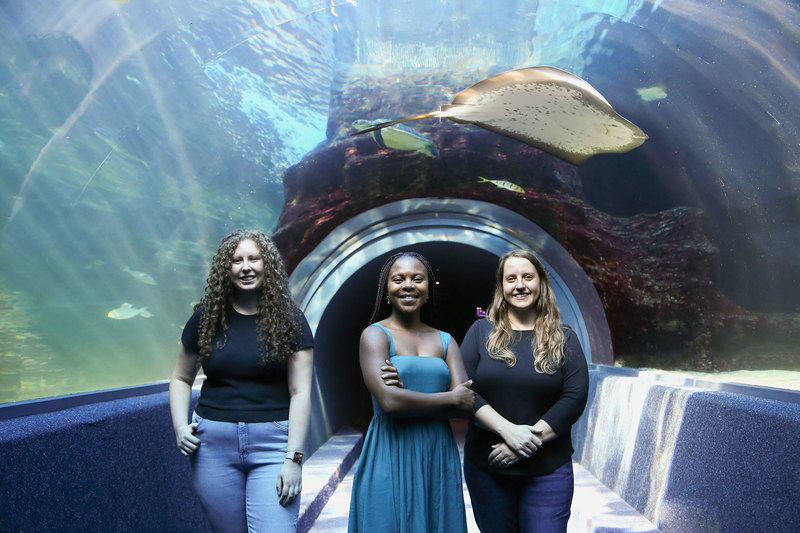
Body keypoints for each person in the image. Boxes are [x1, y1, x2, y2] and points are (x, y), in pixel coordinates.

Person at [169, 229, 314, 533]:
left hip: (274, 446)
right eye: (237, 260)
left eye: (253, 258)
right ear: (226, 268)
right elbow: (181, 379)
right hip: (212, 449)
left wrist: (295, 460)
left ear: (267, 264)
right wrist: (180, 427)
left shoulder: (291, 319)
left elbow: (301, 392)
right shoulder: (206, 318)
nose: (246, 267)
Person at [460, 249, 589, 533]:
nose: (520, 285)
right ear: (502, 287)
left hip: (548, 470)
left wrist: (525, 443)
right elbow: (465, 390)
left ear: (540, 283)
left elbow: (574, 398)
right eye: (511, 279)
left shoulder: (565, 338)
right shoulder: (480, 332)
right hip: (488, 469)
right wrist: (509, 431)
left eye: (527, 277)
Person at [348, 251, 475, 533]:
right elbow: (390, 402)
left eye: (417, 279)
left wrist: (411, 396)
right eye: (399, 279)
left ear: (428, 290)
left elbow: (465, 404)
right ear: (387, 290)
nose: (408, 285)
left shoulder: (446, 340)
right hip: (390, 450)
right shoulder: (375, 335)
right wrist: (447, 397)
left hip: (437, 454)